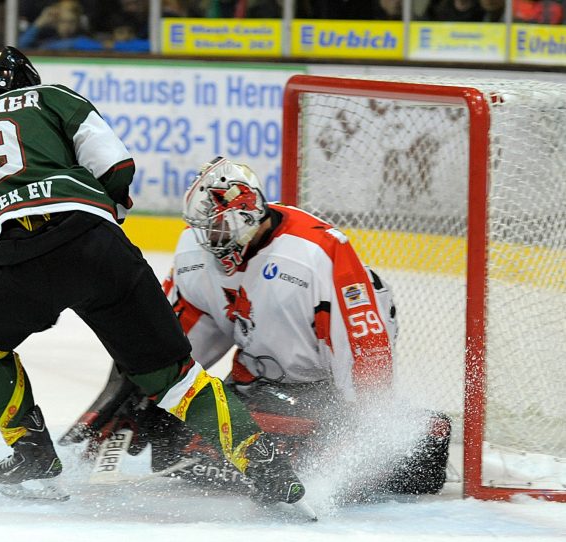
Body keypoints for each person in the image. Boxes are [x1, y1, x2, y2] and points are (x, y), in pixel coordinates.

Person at [0, 48, 306, 506]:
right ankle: (263, 461)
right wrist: (104, 220)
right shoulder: (49, 98)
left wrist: (7, 300)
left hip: (9, 263)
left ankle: (30, 450)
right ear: (28, 76)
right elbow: (116, 166)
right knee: (174, 378)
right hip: (95, 245)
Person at [66, 157, 451, 501]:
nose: (207, 241)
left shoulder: (316, 252)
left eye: (216, 230)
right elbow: (171, 336)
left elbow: (365, 344)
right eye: (203, 230)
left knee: (406, 456)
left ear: (245, 216)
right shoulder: (194, 255)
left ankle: (347, 444)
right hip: (257, 387)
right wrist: (142, 389)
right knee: (172, 438)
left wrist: (357, 434)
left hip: (325, 393)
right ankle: (277, 449)